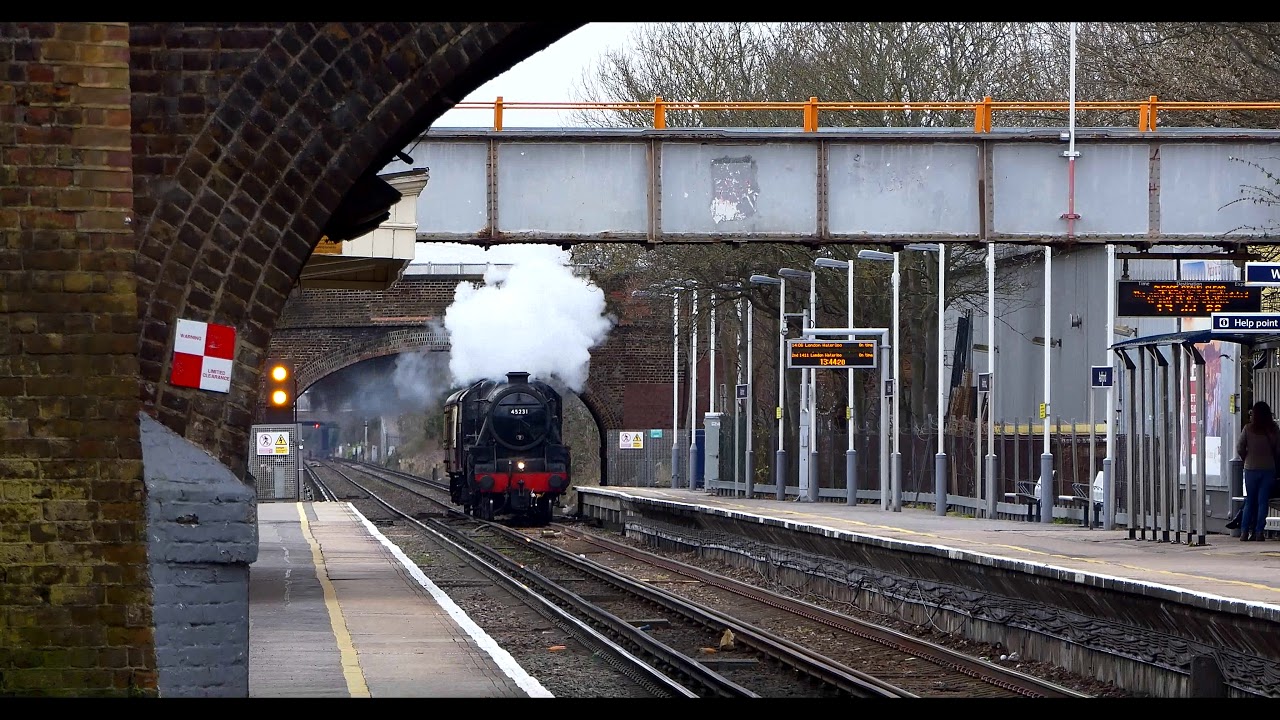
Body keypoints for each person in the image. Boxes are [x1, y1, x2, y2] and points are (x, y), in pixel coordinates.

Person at [1234, 401, 1279, 541]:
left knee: (1250, 501)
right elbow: (1278, 450)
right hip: (1268, 469)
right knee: (1262, 501)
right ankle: (1259, 532)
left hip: (1250, 469)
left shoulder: (1248, 429)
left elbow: (1240, 447)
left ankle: (1244, 532)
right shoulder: (1273, 430)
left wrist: (1246, 458)